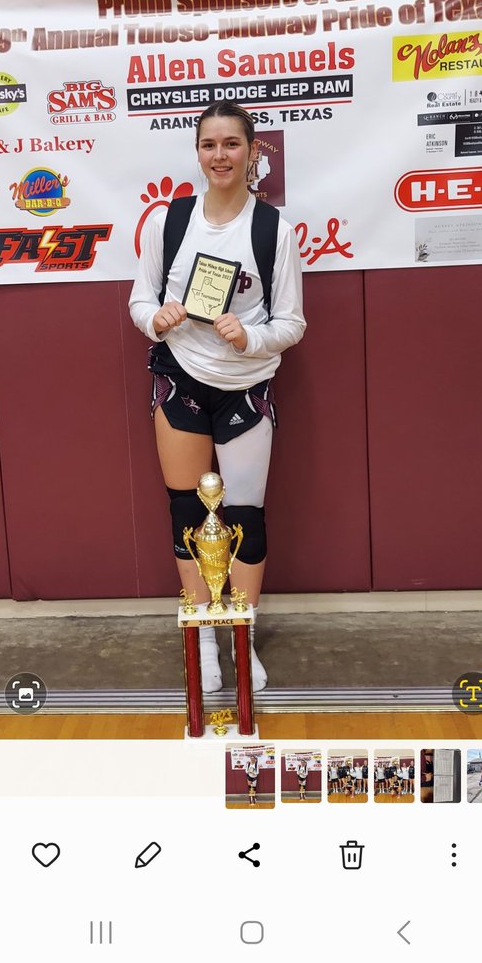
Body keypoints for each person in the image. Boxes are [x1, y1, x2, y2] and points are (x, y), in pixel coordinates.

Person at [129, 101, 306, 693]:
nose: (220, 155)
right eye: (209, 144)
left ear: (253, 151)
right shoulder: (168, 221)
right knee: (187, 513)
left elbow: (292, 323)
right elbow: (136, 303)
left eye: (232, 144)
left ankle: (241, 636)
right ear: (197, 152)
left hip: (245, 388)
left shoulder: (272, 230)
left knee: (245, 519)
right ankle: (204, 633)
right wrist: (158, 318)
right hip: (180, 377)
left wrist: (249, 334)